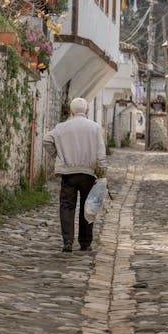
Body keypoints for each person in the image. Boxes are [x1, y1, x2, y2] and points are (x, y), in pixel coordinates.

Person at [43, 97, 107, 253]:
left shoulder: (61, 127)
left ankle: (68, 241)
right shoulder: (95, 128)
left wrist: (58, 155)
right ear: (87, 111)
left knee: (67, 205)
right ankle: (85, 242)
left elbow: (46, 140)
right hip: (88, 173)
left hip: (68, 173)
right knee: (88, 207)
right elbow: (100, 153)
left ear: (71, 111)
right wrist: (103, 171)